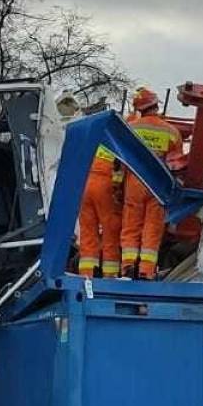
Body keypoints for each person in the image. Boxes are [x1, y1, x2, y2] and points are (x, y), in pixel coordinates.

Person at [119, 86, 184, 279]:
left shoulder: (130, 129)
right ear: (156, 105)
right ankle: (146, 271)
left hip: (135, 182)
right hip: (158, 185)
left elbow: (121, 160)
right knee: (152, 229)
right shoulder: (171, 132)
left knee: (131, 226)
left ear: (139, 108)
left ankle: (128, 266)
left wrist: (118, 185)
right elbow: (176, 165)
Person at [76, 106, 124, 278]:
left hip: (83, 186)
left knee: (88, 232)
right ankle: (109, 276)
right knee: (110, 231)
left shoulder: (88, 137)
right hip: (104, 185)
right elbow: (120, 171)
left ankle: (86, 274)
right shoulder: (114, 140)